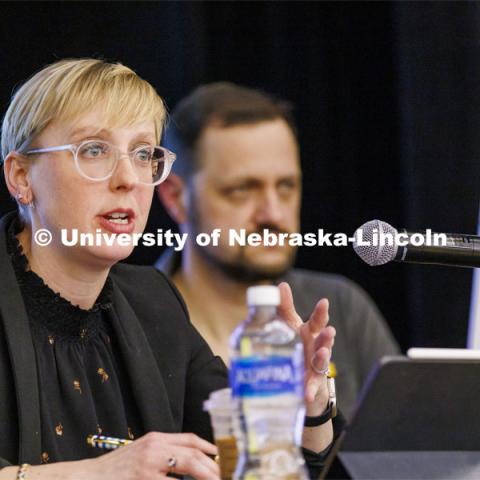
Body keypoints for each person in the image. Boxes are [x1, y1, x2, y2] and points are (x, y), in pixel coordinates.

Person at [0, 59, 341, 479]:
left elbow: (254, 467)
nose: (128, 178)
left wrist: (306, 407)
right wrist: (99, 473)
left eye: (143, 154)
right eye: (93, 150)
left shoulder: (154, 303)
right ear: (20, 176)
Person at [156, 82, 400, 420]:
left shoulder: (340, 307)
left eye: (286, 186)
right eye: (242, 190)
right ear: (175, 197)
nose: (272, 213)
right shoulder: (134, 322)